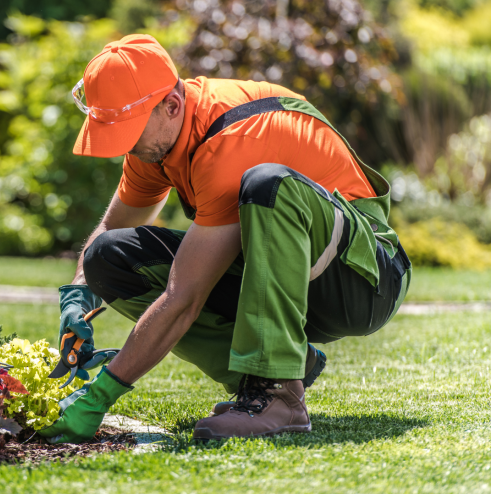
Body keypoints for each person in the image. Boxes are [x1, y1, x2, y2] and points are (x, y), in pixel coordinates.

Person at [37, 34, 411, 443]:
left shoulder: (231, 140)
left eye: (127, 133)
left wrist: (101, 394)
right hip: (292, 276)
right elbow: (110, 231)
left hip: (364, 279)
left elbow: (184, 298)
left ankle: (277, 393)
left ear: (171, 106)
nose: (121, 149)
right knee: (106, 257)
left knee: (269, 184)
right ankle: (278, 371)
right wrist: (77, 296)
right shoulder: (157, 144)